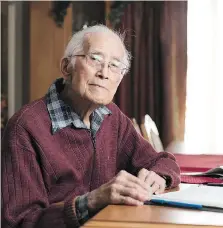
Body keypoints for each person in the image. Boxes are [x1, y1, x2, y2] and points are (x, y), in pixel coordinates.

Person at [1, 25, 181, 228]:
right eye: (95, 59)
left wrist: (157, 176)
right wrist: (92, 201)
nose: (104, 73)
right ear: (66, 68)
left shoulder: (112, 117)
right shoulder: (25, 127)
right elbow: (19, 222)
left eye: (114, 66)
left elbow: (163, 161)